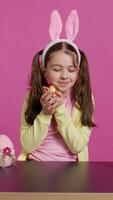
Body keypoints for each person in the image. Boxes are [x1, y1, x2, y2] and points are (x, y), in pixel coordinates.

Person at [18, 10, 96, 162]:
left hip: (72, 168)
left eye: (71, 69)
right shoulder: (32, 96)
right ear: (44, 71)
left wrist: (59, 108)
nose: (65, 76)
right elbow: (27, 145)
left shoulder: (85, 98)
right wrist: (45, 113)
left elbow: (77, 146)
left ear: (78, 71)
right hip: (35, 164)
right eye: (56, 69)